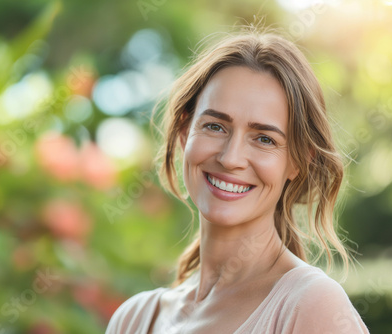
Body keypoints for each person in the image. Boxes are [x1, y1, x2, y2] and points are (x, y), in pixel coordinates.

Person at [105, 26, 370, 334]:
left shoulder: (312, 307)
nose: (230, 158)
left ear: (297, 161)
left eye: (264, 139)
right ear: (183, 132)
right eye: (215, 126)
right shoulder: (133, 320)